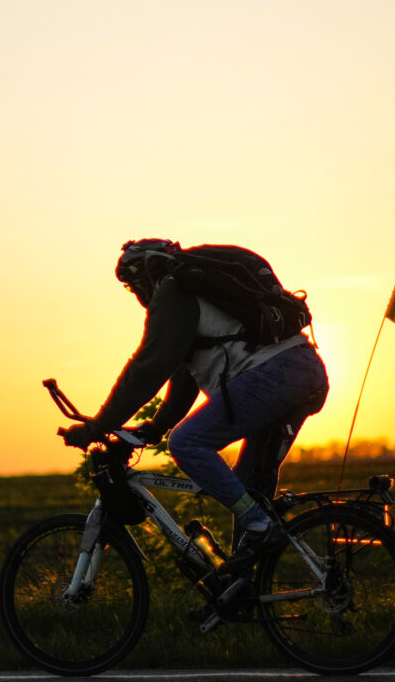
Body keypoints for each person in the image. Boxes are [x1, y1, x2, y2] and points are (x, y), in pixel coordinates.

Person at [61, 238, 329, 559]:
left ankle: (260, 526)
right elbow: (183, 382)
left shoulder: (173, 292)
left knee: (186, 442)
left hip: (276, 374)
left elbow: (148, 368)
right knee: (247, 487)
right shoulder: (197, 292)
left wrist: (99, 426)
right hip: (303, 369)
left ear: (145, 277)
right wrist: (154, 428)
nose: (138, 296)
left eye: (134, 287)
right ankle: (246, 584)